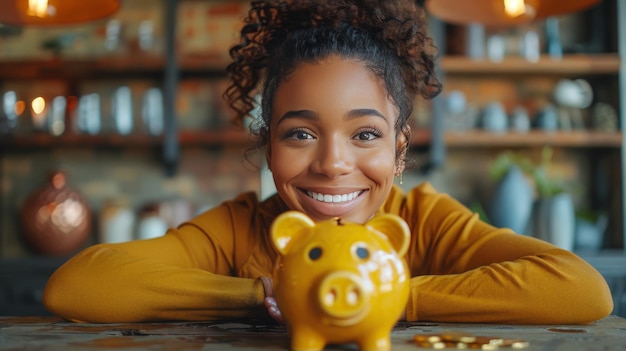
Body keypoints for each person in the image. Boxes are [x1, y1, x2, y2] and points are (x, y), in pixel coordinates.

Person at [43, 0, 613, 324]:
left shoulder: (427, 221)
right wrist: (262, 294)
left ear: (400, 147)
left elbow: (581, 290)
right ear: (268, 146)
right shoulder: (242, 230)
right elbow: (79, 286)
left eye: (365, 133)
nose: (333, 163)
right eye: (300, 134)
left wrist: (389, 296)